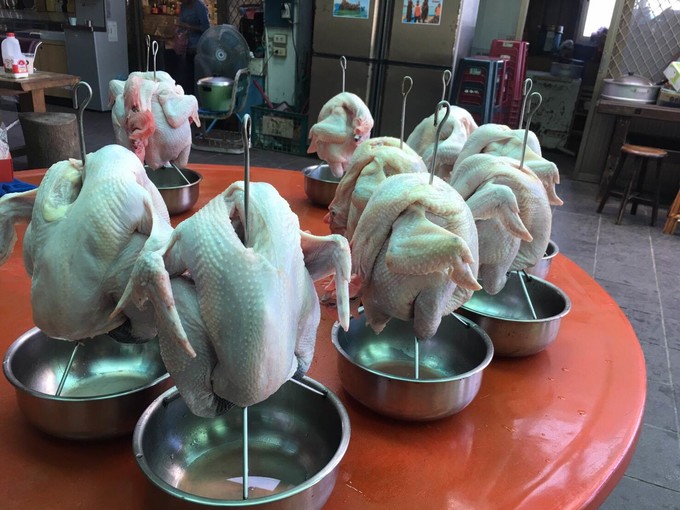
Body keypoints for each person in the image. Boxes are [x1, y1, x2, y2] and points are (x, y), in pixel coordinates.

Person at [168, 0, 210, 95]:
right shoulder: (183, 6)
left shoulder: (199, 6)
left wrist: (189, 27)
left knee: (198, 77)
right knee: (188, 77)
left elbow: (206, 28)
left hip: (199, 48)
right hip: (187, 47)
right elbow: (181, 23)